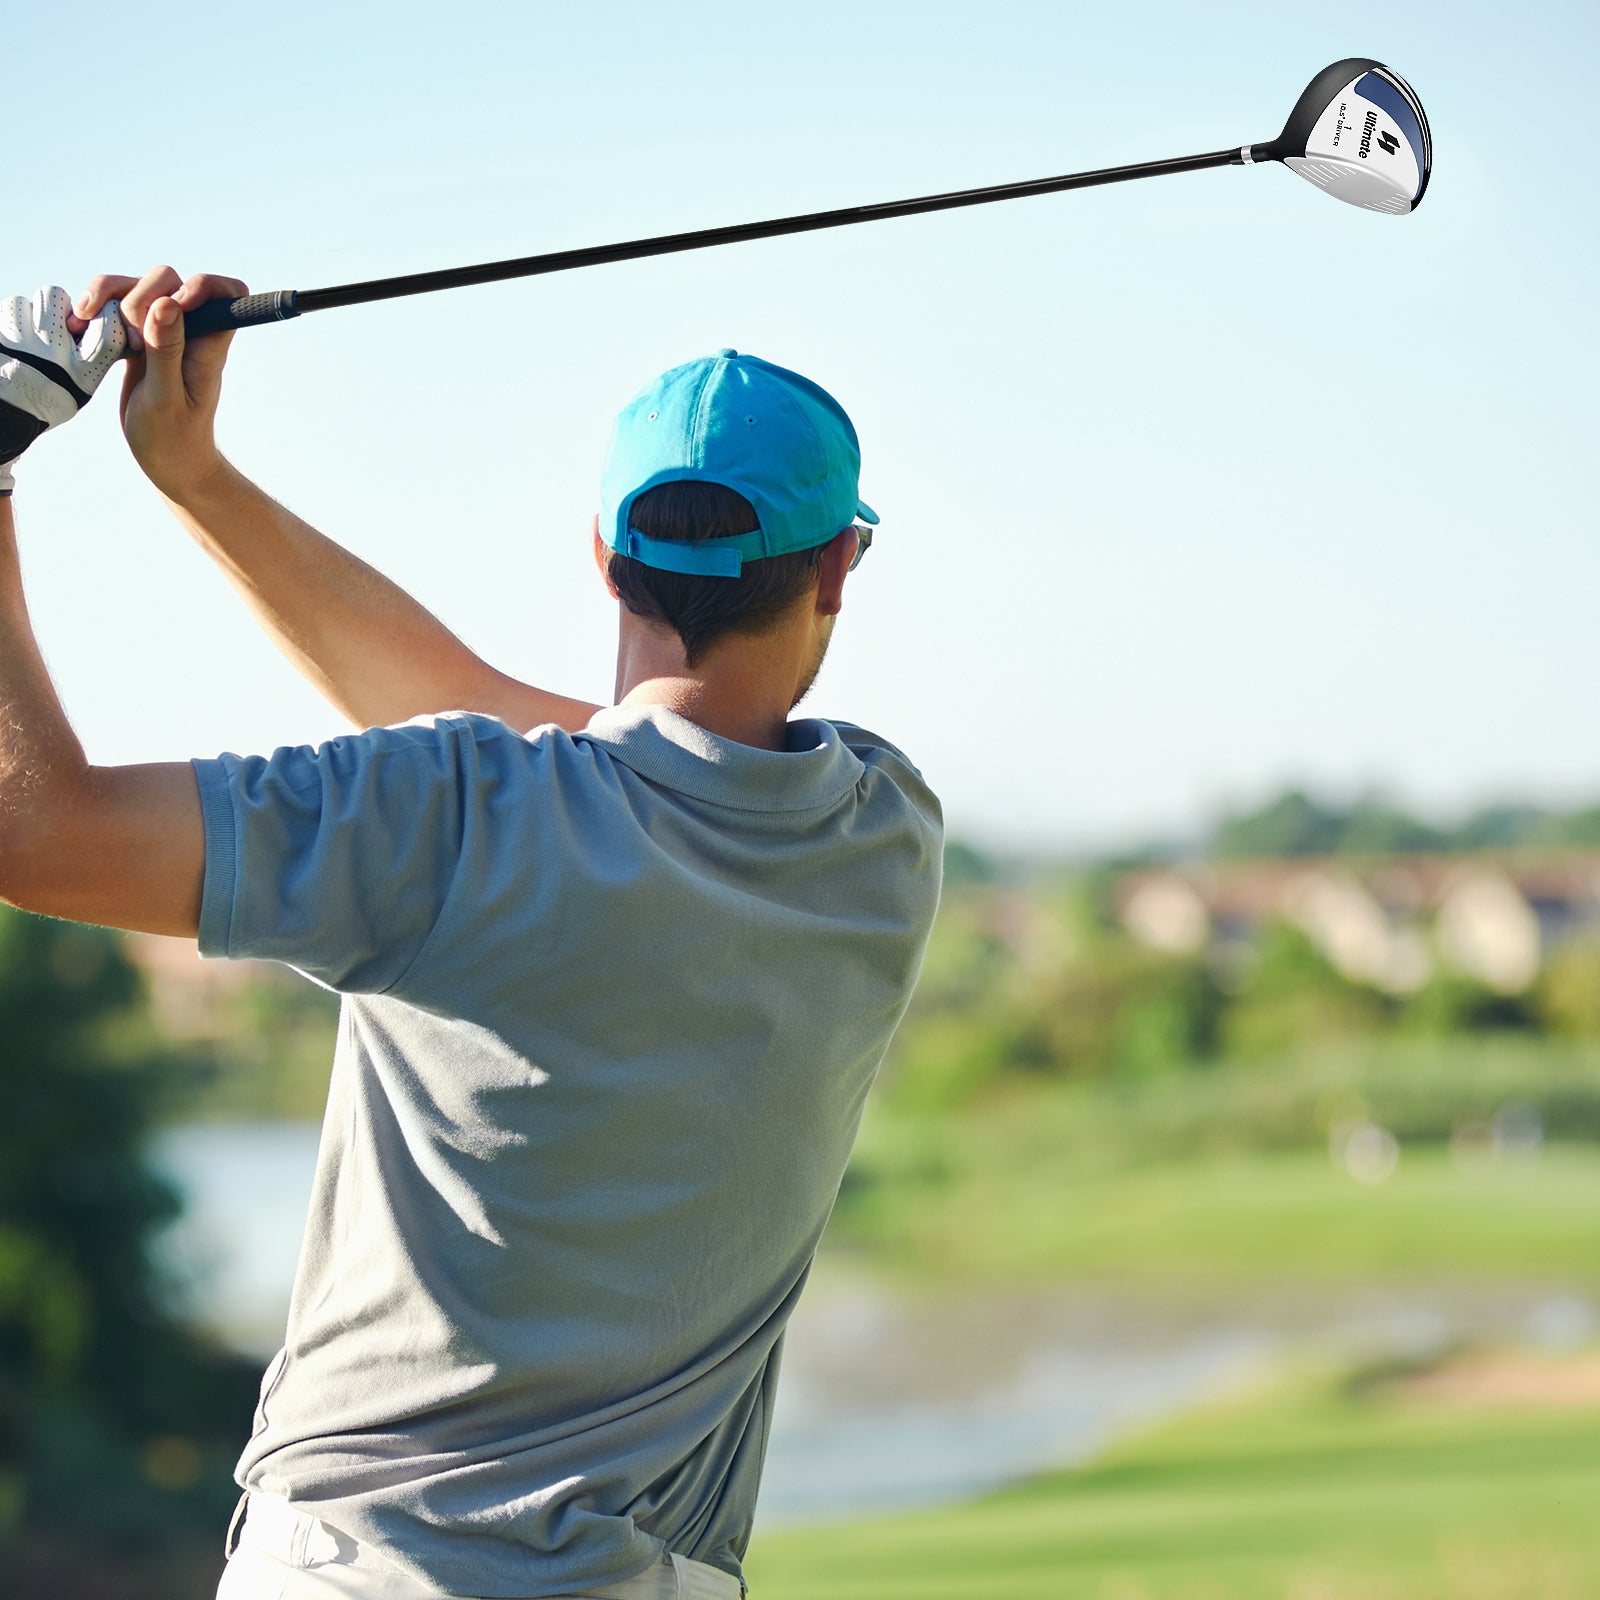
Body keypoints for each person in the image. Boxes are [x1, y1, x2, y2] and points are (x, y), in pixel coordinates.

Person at [0, 268, 943, 1599]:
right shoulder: (883, 837)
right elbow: (528, 728)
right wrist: (195, 482)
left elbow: (40, 835)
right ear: (840, 566)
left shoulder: (452, 815)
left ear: (607, 558)